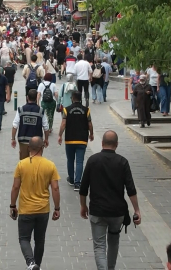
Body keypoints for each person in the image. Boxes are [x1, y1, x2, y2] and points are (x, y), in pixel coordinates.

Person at [79, 130, 141, 270]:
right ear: (116, 144)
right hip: (117, 212)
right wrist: (136, 209)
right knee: (113, 241)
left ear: (102, 143)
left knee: (99, 246)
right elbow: (131, 189)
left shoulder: (93, 160)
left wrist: (83, 206)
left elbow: (83, 188)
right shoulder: (123, 162)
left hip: (97, 211)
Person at [10, 136, 60, 270]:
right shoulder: (50, 165)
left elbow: (15, 187)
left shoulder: (21, 165)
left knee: (24, 239)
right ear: (42, 147)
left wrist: (13, 205)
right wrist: (57, 208)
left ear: (28, 148)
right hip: (43, 210)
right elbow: (55, 188)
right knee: (40, 240)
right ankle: (37, 265)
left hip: (26, 210)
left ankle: (31, 264)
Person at [57, 91, 93, 191]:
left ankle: (71, 179)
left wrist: (60, 135)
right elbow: (89, 124)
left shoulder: (66, 110)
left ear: (72, 98)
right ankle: (78, 183)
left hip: (70, 139)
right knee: (80, 161)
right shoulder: (86, 110)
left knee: (70, 160)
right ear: (80, 98)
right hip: (82, 139)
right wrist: (91, 134)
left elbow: (63, 124)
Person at [11, 89, 49, 160]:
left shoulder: (21, 109)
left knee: (24, 163)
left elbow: (15, 125)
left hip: (23, 141)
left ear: (27, 97)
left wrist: (13, 139)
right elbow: (46, 127)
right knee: (35, 162)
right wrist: (46, 139)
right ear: (36, 98)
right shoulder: (41, 111)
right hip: (37, 143)